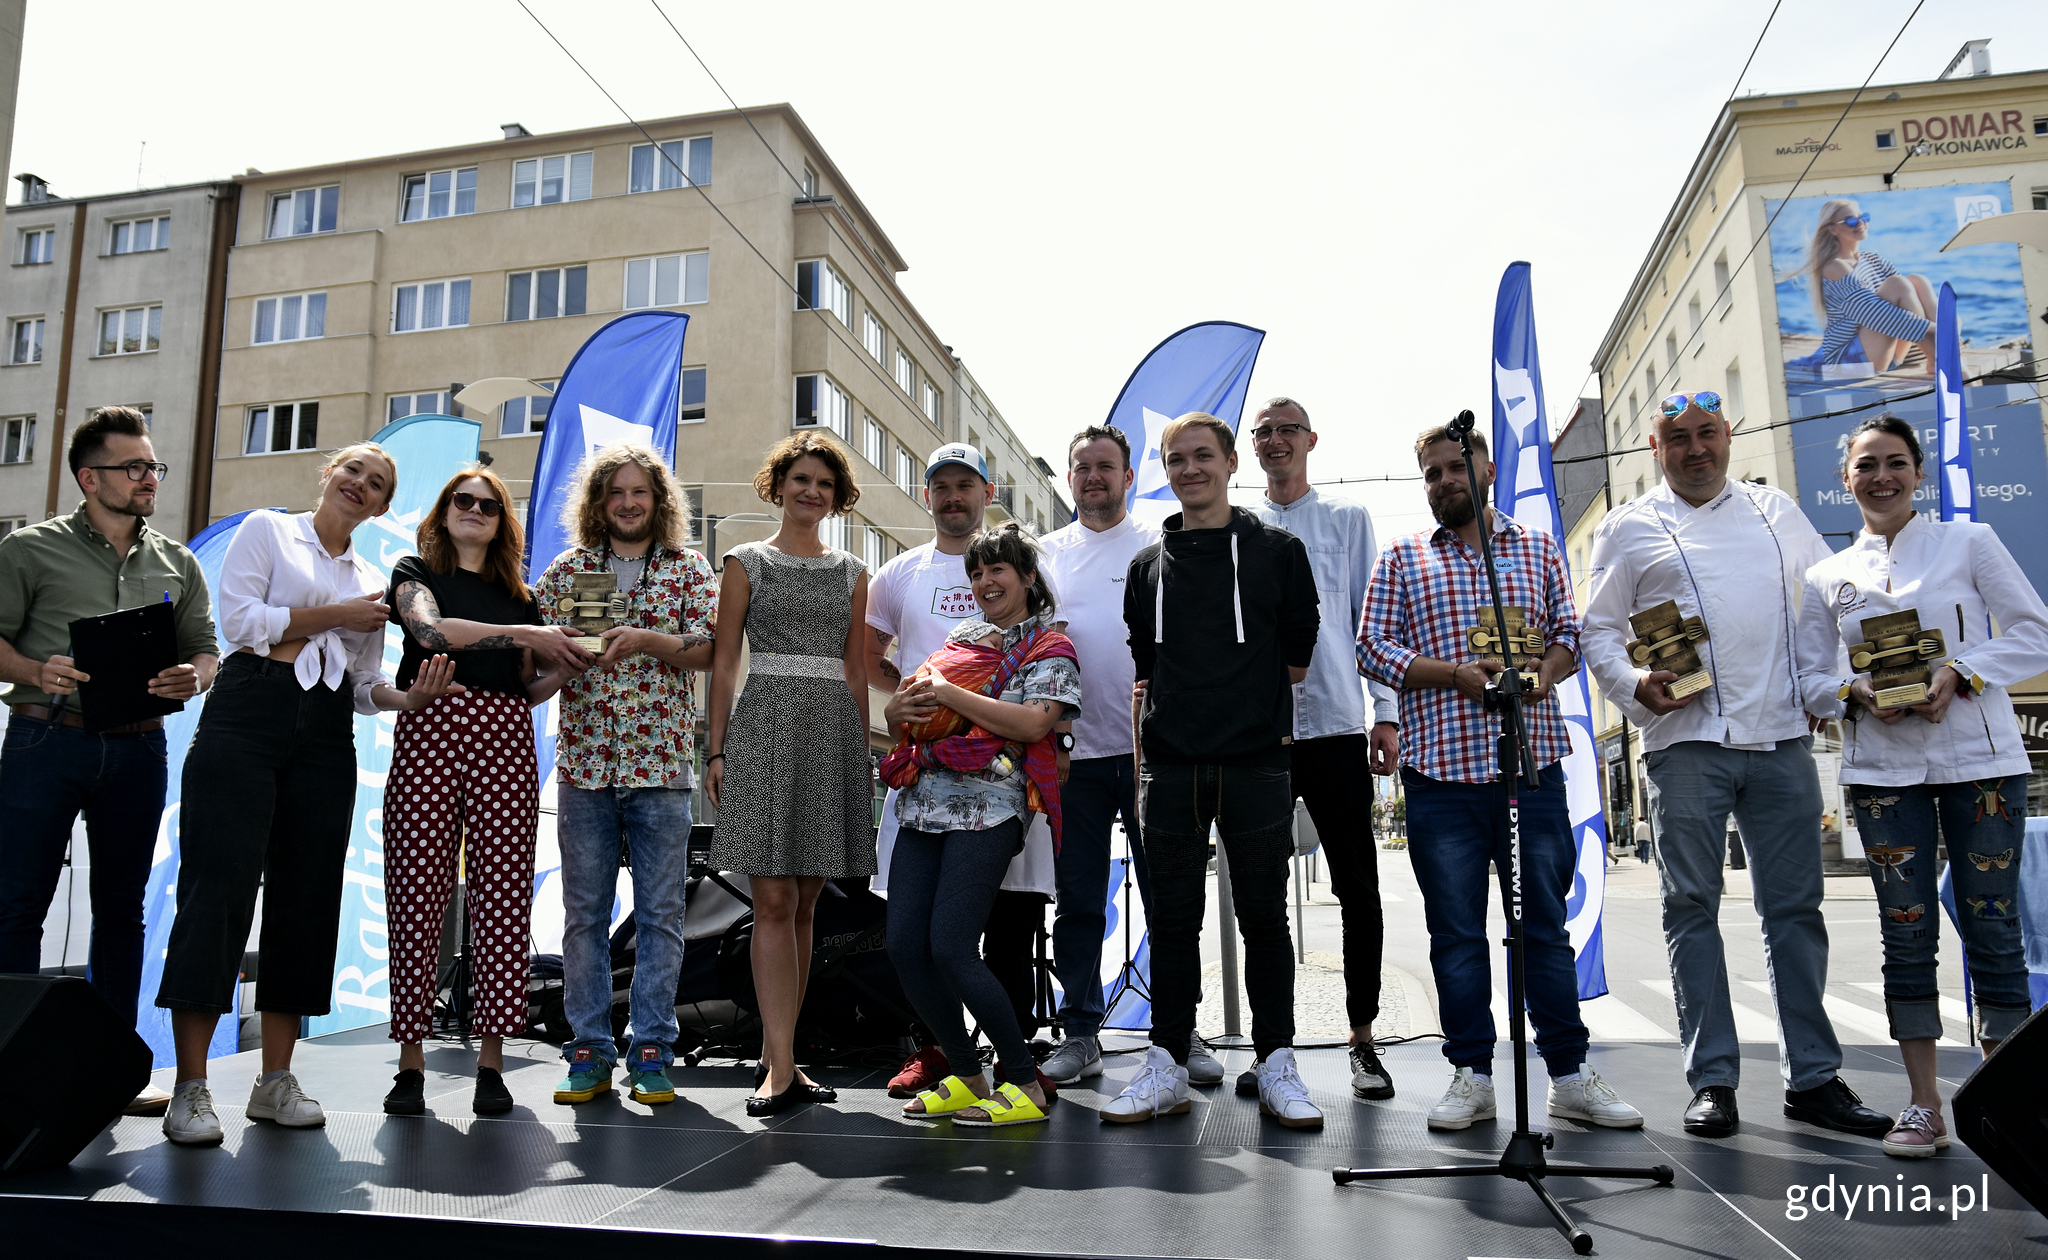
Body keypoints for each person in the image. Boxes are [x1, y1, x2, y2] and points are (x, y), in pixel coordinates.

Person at [1582, 391, 1890, 1141]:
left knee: (1794, 912)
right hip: (1684, 742)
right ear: (1655, 450)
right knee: (1692, 907)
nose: (1695, 449)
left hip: (1782, 737)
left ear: (1728, 438)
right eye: (1678, 438)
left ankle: (1813, 1078)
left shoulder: (1775, 509)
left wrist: (1835, 682)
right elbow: (1597, 633)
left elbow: (1826, 603)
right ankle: (1713, 1079)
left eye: (1708, 434)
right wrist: (1634, 689)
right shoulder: (1627, 528)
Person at [155, 444, 462, 1146]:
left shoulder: (365, 578)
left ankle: (275, 1081)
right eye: (353, 471)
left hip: (325, 734)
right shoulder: (269, 530)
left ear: (382, 506)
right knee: (218, 891)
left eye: (377, 483)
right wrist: (335, 615)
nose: (361, 484)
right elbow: (242, 624)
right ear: (330, 476)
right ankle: (192, 1087)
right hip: (248, 713)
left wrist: (406, 697)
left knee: (307, 898)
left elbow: (360, 684)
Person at [1360, 424, 1642, 1133]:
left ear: (1485, 469)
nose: (1445, 481)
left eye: (1457, 467)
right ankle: (1472, 1075)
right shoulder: (1401, 557)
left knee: (1544, 930)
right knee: (1455, 934)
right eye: (1432, 473)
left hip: (1530, 767)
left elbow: (1568, 636)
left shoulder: (1537, 547)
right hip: (1441, 778)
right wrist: (1454, 675)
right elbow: (1371, 646)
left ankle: (1570, 1075)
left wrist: (1543, 675)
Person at [1795, 414, 2042, 1157]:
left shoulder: (1971, 542)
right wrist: (1852, 693)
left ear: (1918, 472)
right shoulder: (1827, 577)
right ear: (1846, 480)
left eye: (1895, 462)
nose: (1881, 476)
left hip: (1982, 763)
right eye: (1866, 465)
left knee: (1994, 929)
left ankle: (2011, 1105)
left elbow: (2035, 629)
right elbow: (1809, 678)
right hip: (1883, 774)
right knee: (1906, 935)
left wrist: (1961, 673)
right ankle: (1924, 1105)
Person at [0, 407, 218, 1118]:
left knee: (122, 913)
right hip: (44, 738)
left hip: (139, 746)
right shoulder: (29, 550)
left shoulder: (176, 561)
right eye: (134, 467)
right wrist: (37, 667)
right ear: (90, 478)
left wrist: (195, 675)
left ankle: (108, 1070)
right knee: (17, 907)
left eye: (153, 466)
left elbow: (205, 648)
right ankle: (12, 1073)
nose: (149, 478)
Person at [1111, 412, 1322, 1130]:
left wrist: (1243, 702)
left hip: (1258, 763)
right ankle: (1166, 1062)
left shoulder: (1278, 552)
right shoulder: (1145, 568)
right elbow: (1148, 662)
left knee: (1265, 920)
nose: (1190, 468)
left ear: (1232, 463)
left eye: (1204, 455)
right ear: (1164, 470)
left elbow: (1298, 653)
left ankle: (1278, 1060)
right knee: (1172, 923)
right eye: (1177, 458)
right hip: (1170, 769)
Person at [380, 468, 590, 1118]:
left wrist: (562, 668)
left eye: (488, 504)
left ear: (503, 520)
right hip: (430, 728)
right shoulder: (414, 572)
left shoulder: (520, 596)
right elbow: (431, 635)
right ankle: (410, 1060)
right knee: (417, 890)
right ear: (443, 511)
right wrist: (533, 637)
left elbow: (523, 687)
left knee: (502, 895)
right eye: (462, 500)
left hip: (503, 736)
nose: (474, 509)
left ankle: (492, 1061)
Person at [864, 443, 1055, 1098]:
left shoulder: (1047, 639)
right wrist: (909, 715)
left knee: (970, 941)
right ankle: (963, 1070)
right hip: (924, 796)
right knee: (908, 946)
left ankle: (1021, 1074)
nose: (987, 582)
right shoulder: (952, 627)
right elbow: (896, 690)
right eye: (979, 574)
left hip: (993, 804)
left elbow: (1034, 723)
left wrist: (944, 700)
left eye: (1000, 571)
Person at [535, 443, 717, 1109]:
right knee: (583, 916)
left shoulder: (687, 569)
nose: (630, 503)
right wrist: (560, 664)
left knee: (662, 917)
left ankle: (652, 1051)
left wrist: (645, 640)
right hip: (584, 766)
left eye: (641, 492)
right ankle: (587, 1051)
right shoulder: (570, 572)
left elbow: (710, 651)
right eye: (618, 493)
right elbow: (533, 674)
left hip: (662, 769)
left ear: (658, 501)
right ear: (599, 502)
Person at [705, 433, 874, 1118]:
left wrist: (860, 757)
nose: (812, 492)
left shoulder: (854, 573)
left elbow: (859, 671)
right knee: (771, 900)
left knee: (806, 903)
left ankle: (787, 1060)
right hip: (763, 726)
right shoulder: (745, 562)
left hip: (830, 731)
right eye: (801, 479)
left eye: (824, 485)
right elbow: (722, 663)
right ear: (779, 485)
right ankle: (777, 1066)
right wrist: (714, 752)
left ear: (836, 499)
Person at [1249, 396, 1402, 1103]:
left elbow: (1370, 621)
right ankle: (1272, 1048)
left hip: (1339, 726)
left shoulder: (1347, 521)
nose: (1276, 441)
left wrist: (1387, 714)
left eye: (1287, 431)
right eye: (1265, 432)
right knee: (1260, 896)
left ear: (1311, 440)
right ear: (1254, 448)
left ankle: (1363, 1040)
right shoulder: (1240, 530)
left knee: (1357, 889)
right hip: (1262, 734)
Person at [1035, 424, 1164, 1087]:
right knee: (1079, 902)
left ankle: (1176, 1035)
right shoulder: (1046, 555)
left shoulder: (1160, 542)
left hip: (1152, 753)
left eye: (1105, 466)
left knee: (1170, 899)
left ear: (1128, 476)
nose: (1093, 477)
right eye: (1081, 466)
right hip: (1073, 758)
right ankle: (1080, 1032)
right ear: (1069, 477)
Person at [1783, 199, 1936, 376]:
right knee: (1897, 283)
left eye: (1862, 217)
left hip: (1884, 354)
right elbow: (1875, 313)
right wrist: (1936, 328)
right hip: (1849, 363)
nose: (1861, 223)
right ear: (1832, 229)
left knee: (1917, 280)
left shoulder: (1873, 259)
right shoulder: (1834, 267)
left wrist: (1941, 326)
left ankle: (1942, 351)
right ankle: (1937, 356)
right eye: (1851, 221)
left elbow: (1907, 299)